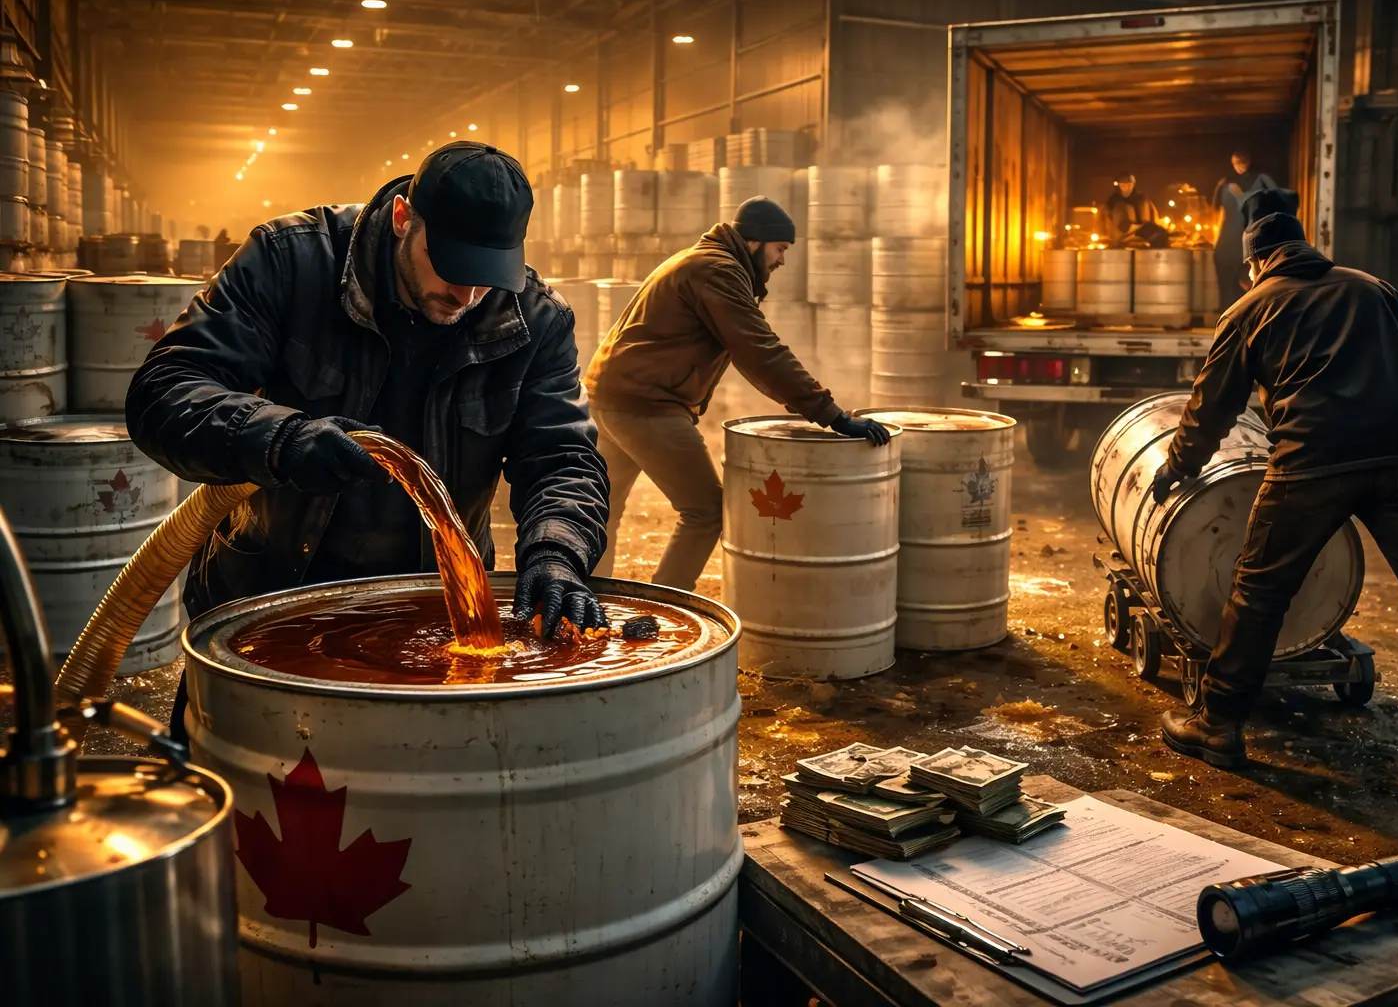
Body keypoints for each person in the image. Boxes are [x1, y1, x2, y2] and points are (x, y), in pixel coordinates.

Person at [127, 141, 610, 737]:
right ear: (405, 218)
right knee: (241, 796)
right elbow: (165, 390)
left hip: (436, 614)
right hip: (273, 601)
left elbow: (561, 456)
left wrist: (558, 554)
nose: (466, 297)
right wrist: (283, 437)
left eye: (487, 278)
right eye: (452, 268)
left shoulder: (532, 319)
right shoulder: (291, 262)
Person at [1151, 188, 1398, 816]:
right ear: (1303, 246)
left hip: (1313, 462)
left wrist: (1178, 466)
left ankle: (1217, 725)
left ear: (1257, 260)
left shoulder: (1248, 309)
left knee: (1261, 589)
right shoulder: (1372, 288)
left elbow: (1211, 405)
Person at [582, 196, 890, 592]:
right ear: (754, 243)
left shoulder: (698, 260)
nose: (782, 260)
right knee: (706, 509)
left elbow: (749, 354)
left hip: (610, 396)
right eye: (780, 249)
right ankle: (667, 606)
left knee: (602, 510)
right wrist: (833, 414)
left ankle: (585, 600)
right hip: (646, 406)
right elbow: (761, 351)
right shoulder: (717, 272)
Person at [1210, 149, 1276, 309]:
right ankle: (1226, 310)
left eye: (1241, 163)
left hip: (1252, 237)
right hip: (1229, 238)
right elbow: (1218, 212)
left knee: (1250, 277)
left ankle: (1250, 309)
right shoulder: (1224, 183)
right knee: (1226, 276)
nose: (1239, 167)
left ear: (1248, 162)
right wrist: (1215, 238)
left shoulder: (1261, 180)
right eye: (1235, 163)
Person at [1100, 172, 1168, 248]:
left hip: (1144, 240)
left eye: (1128, 185)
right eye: (1123, 185)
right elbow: (1106, 223)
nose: (1126, 188)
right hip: (1122, 241)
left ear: (1133, 184)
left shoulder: (1143, 200)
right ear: (1118, 185)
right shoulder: (1113, 203)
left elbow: (1154, 216)